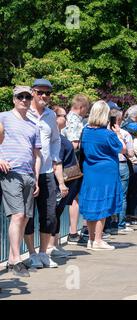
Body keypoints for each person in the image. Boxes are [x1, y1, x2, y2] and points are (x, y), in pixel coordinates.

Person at [1, 86, 41, 277]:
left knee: (24, 217)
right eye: (20, 96)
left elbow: (37, 154)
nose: (24, 100)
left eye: (27, 97)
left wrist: (37, 178)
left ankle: (11, 259)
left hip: (28, 174)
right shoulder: (3, 117)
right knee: (17, 215)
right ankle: (17, 259)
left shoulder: (34, 124)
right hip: (11, 173)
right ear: (14, 99)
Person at [24, 79, 62, 269]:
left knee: (49, 215)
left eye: (48, 93)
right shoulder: (23, 112)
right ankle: (31, 254)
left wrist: (55, 159)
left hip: (46, 171)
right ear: (32, 92)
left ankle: (43, 253)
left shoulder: (50, 115)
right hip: (26, 172)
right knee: (27, 215)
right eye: (40, 92)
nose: (44, 96)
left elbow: (56, 140)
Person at [78, 100, 125, 250]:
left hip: (90, 170)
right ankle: (98, 240)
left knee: (92, 204)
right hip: (106, 172)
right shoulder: (108, 135)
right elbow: (122, 149)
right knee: (103, 206)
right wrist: (118, 133)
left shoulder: (85, 131)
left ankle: (91, 239)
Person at [46, 106, 82, 258]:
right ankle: (50, 245)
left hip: (65, 181)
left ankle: (55, 244)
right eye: (63, 116)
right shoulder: (57, 140)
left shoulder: (59, 137)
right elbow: (56, 162)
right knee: (54, 212)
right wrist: (61, 183)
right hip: (59, 181)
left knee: (58, 212)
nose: (66, 119)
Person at [62, 94, 90, 245]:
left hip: (69, 163)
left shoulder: (69, 118)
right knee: (75, 197)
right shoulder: (74, 120)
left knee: (75, 197)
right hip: (72, 163)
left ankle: (73, 232)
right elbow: (73, 144)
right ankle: (73, 232)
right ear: (82, 107)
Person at [107, 107, 134, 235]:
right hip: (122, 164)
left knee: (109, 194)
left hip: (108, 166)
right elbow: (130, 153)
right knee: (122, 196)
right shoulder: (124, 133)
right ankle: (120, 224)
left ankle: (107, 225)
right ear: (119, 119)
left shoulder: (103, 132)